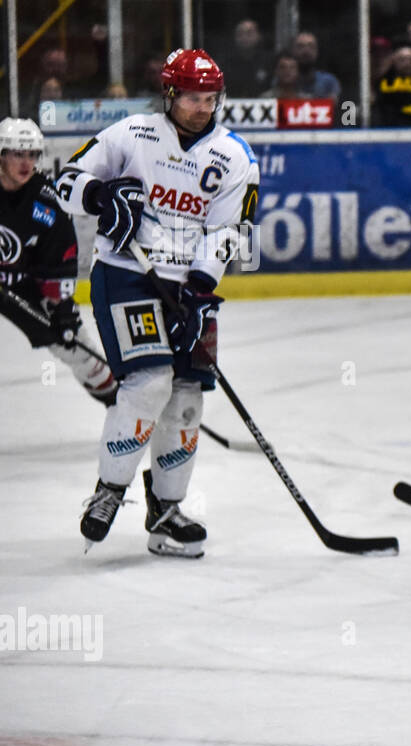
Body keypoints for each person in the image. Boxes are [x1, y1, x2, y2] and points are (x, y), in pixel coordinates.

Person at [54, 48, 260, 558]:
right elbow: (65, 182)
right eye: (192, 97)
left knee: (187, 398)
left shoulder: (236, 157)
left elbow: (227, 231)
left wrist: (199, 290)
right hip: (127, 274)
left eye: (211, 98)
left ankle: (165, 514)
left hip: (190, 288)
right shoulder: (133, 134)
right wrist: (100, 197)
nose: (202, 107)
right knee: (150, 383)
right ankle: (108, 492)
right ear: (170, 94)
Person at [0, 118, 116, 406]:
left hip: (20, 284)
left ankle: (117, 402)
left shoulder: (45, 199)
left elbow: (60, 258)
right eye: (17, 153)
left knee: (75, 348)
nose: (26, 163)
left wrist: (62, 309)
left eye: (32, 155)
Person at [223, 19, 271, 97]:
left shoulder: (268, 61)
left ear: (259, 36)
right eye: (240, 34)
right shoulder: (227, 63)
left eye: (249, 33)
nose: (244, 37)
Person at [291, 32, 341, 101]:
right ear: (293, 51)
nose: (306, 51)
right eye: (300, 46)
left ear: (317, 51)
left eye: (311, 46)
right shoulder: (285, 82)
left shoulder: (328, 82)